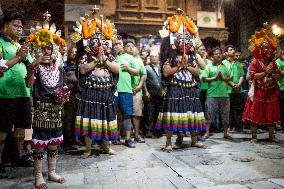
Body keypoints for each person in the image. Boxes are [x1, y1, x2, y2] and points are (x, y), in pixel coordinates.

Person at [156, 9, 206, 152]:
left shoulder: (191, 56)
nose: (183, 40)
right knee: (172, 115)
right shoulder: (169, 56)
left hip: (190, 88)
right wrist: (179, 66)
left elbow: (197, 71)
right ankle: (168, 143)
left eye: (186, 38)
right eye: (180, 37)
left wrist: (187, 67)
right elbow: (166, 73)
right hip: (175, 88)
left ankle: (194, 140)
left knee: (192, 115)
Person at [74, 11, 120, 157]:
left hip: (106, 92)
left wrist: (104, 60)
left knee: (106, 118)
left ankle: (106, 147)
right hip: (91, 92)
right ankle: (88, 149)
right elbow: (82, 70)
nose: (99, 43)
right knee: (89, 118)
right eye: (95, 40)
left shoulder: (110, 56)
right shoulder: (85, 56)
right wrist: (96, 61)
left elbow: (117, 69)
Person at [0, 11, 32, 178]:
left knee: (21, 127)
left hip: (23, 92)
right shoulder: (0, 42)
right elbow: (0, 67)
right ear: (5, 26)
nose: (20, 29)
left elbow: (30, 65)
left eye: (21, 26)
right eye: (16, 25)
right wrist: (19, 58)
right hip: (5, 93)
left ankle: (18, 157)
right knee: (2, 130)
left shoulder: (20, 45)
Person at [242, 26, 282, 143]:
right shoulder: (255, 62)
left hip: (270, 91)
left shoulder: (273, 63)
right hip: (258, 91)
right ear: (260, 50)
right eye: (265, 48)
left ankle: (271, 135)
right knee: (255, 114)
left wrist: (272, 77)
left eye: (270, 48)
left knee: (271, 113)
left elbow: (279, 75)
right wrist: (265, 73)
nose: (268, 51)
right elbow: (251, 76)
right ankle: (254, 137)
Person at [202, 47, 233, 139]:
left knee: (225, 115)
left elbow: (230, 78)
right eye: (216, 54)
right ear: (212, 56)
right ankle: (207, 132)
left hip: (224, 94)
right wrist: (215, 78)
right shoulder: (209, 66)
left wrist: (223, 78)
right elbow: (204, 78)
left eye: (219, 53)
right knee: (209, 114)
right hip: (212, 95)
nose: (218, 55)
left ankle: (226, 133)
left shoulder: (225, 66)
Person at [113, 39, 139, 148]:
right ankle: (115, 137)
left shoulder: (129, 57)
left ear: (123, 46)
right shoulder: (111, 58)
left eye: (119, 43)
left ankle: (128, 139)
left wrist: (128, 68)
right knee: (115, 115)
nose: (118, 46)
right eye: (115, 44)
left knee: (127, 115)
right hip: (113, 90)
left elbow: (137, 72)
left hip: (126, 90)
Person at [124, 43, 147, 143]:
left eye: (133, 46)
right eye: (128, 46)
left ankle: (137, 135)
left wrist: (139, 86)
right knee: (124, 114)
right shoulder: (122, 58)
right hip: (124, 90)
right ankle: (121, 136)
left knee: (136, 114)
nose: (131, 48)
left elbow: (143, 74)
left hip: (136, 91)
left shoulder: (138, 60)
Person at [223, 46, 245, 132]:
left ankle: (238, 126)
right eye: (230, 50)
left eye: (233, 49)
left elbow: (242, 75)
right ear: (226, 53)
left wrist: (239, 84)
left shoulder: (238, 63)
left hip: (238, 89)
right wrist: (232, 84)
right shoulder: (223, 63)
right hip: (227, 89)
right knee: (228, 109)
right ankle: (229, 126)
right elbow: (224, 76)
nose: (233, 51)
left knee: (238, 108)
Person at [143, 50, 163, 138]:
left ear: (158, 57)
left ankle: (157, 131)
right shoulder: (146, 68)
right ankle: (148, 131)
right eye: (151, 56)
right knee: (149, 113)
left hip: (160, 94)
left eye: (155, 56)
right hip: (150, 94)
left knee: (158, 114)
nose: (153, 58)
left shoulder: (161, 67)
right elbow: (143, 81)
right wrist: (146, 92)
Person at [276, 45, 284, 131]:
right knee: (282, 108)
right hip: (281, 88)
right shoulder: (278, 61)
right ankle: (282, 125)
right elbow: (278, 74)